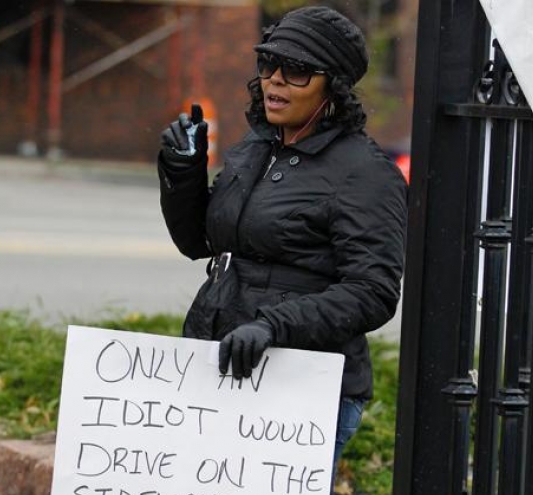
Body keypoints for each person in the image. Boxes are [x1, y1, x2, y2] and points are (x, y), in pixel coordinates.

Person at [157, 5, 407, 491]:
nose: (275, 81)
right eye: (268, 65)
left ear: (331, 86)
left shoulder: (365, 173)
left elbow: (374, 291)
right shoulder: (257, 146)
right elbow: (200, 243)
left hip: (300, 387)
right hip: (222, 366)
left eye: (295, 71)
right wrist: (183, 172)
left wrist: (274, 326)